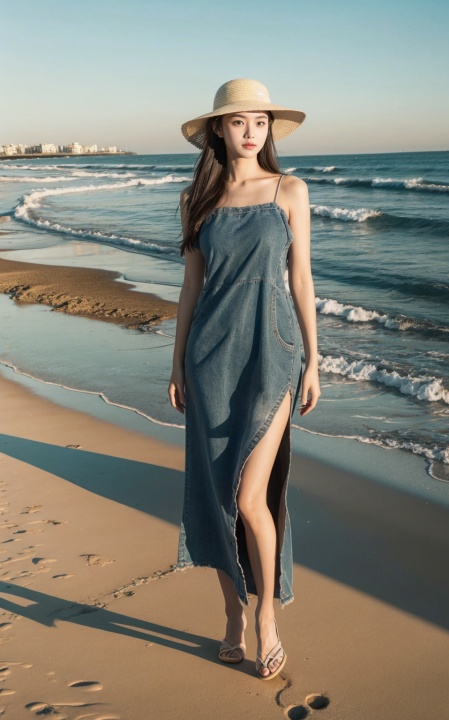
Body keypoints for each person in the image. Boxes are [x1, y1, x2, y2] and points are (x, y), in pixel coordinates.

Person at [168, 78, 320, 680]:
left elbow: (303, 280)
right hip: (209, 358)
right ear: (218, 131)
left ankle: (266, 618)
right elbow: (190, 290)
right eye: (238, 122)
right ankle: (230, 613)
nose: (251, 131)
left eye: (259, 121)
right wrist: (177, 362)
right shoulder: (195, 202)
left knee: (253, 498)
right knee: (215, 497)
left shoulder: (290, 190)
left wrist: (315, 359)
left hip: (274, 353)